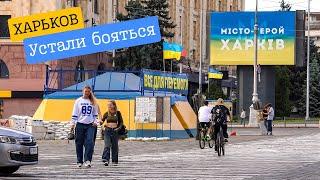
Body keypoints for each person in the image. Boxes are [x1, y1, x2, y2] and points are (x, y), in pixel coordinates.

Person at [70, 86, 99, 168]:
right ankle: (79, 161)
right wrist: (72, 125)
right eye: (85, 91)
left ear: (90, 92)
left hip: (90, 125)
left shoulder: (93, 101)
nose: (87, 93)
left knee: (90, 142)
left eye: (88, 92)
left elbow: (95, 115)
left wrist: (95, 122)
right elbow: (74, 114)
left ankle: (87, 160)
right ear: (82, 91)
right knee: (79, 143)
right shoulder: (78, 101)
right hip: (80, 124)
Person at [101, 100, 123, 166]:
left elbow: (121, 122)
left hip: (115, 131)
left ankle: (114, 160)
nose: (109, 106)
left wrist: (118, 129)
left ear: (114, 105)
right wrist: (102, 127)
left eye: (110, 105)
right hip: (107, 130)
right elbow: (101, 121)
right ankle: (105, 159)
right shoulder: (106, 113)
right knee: (107, 145)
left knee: (115, 146)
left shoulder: (118, 113)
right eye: (108, 105)